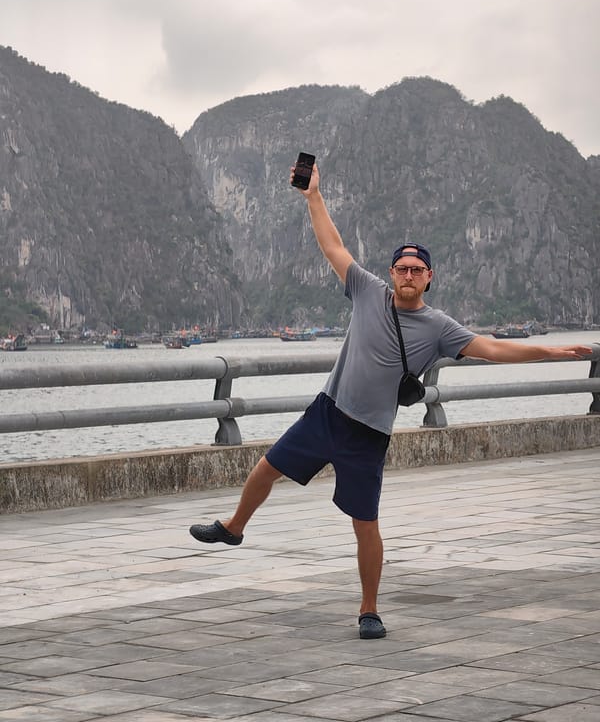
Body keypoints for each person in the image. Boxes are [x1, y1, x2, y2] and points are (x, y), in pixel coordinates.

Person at [189, 161, 592, 640]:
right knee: (265, 468)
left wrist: (553, 351)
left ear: (428, 277)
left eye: (416, 270)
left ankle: (369, 610)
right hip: (327, 411)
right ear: (391, 272)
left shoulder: (440, 327)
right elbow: (332, 245)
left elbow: (495, 348)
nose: (407, 275)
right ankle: (234, 527)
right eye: (401, 268)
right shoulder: (366, 290)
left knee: (365, 524)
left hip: (369, 434)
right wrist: (312, 195)